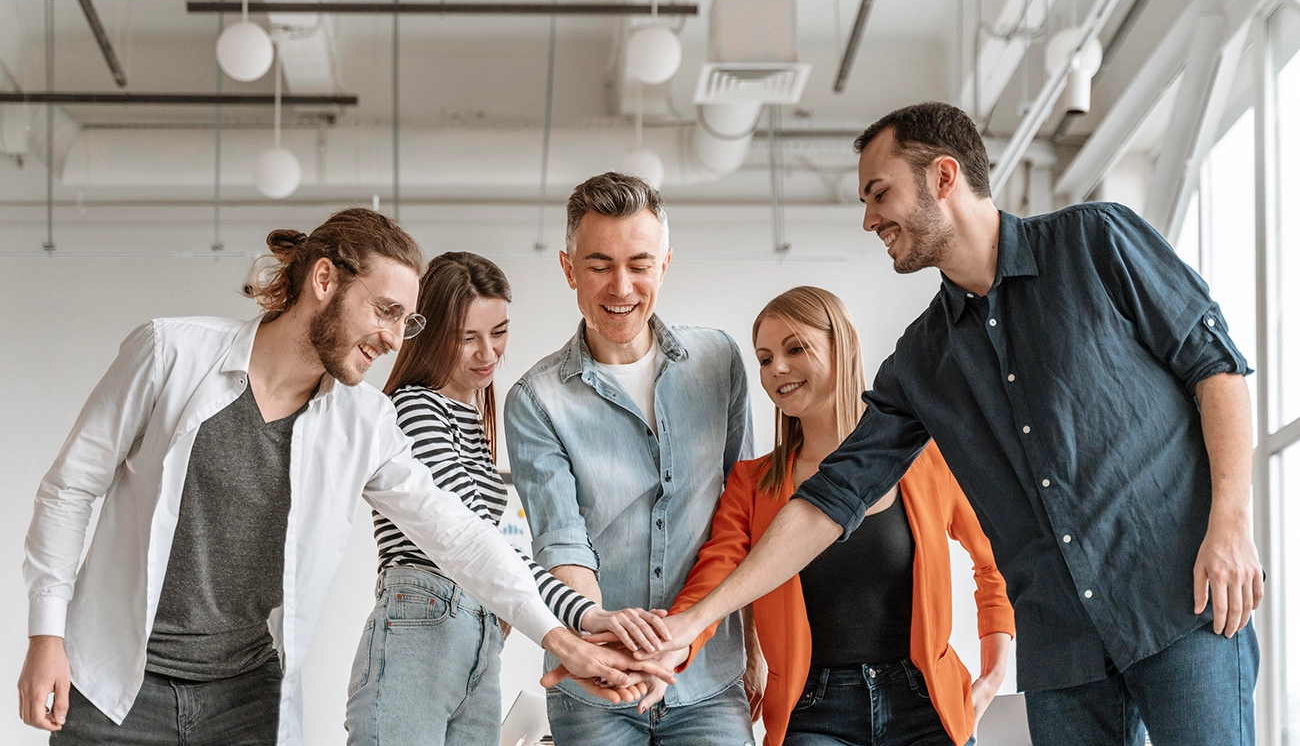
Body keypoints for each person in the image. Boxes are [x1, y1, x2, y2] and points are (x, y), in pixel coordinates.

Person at [641, 102, 1263, 746]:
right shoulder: (920, 363)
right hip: (1064, 656)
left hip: (1183, 601)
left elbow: (1215, 368)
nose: (868, 219)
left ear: (943, 176)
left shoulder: (1096, 242)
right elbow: (831, 499)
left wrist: (1231, 526)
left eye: (879, 193)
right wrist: (693, 623)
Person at [18, 208, 671, 746]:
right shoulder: (170, 354)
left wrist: (566, 634)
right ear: (324, 280)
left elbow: (462, 538)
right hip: (115, 687)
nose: (394, 339)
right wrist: (47, 634)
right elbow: (72, 486)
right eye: (385, 311)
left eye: (406, 321)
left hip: (246, 704)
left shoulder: (364, 419)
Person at [646, 285, 1014, 746]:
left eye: (795, 348)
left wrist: (995, 669)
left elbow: (997, 556)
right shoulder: (752, 483)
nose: (776, 368)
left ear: (842, 347)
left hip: (926, 704)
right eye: (764, 358)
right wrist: (670, 649)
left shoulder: (923, 458)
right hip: (813, 712)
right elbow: (714, 580)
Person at [345, 251, 671, 746]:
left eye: (498, 332)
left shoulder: (470, 420)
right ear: (431, 334)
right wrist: (581, 617)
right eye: (468, 337)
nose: (488, 354)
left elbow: (490, 550)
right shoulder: (415, 407)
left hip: (474, 627)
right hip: (424, 620)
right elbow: (472, 543)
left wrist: (588, 616)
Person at [505, 172, 757, 745]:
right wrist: (609, 651)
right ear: (569, 269)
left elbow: (743, 516)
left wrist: (757, 651)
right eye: (599, 265)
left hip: (710, 681)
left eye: (639, 264)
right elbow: (561, 542)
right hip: (597, 688)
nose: (621, 286)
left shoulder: (719, 362)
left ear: (665, 264)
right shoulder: (536, 399)